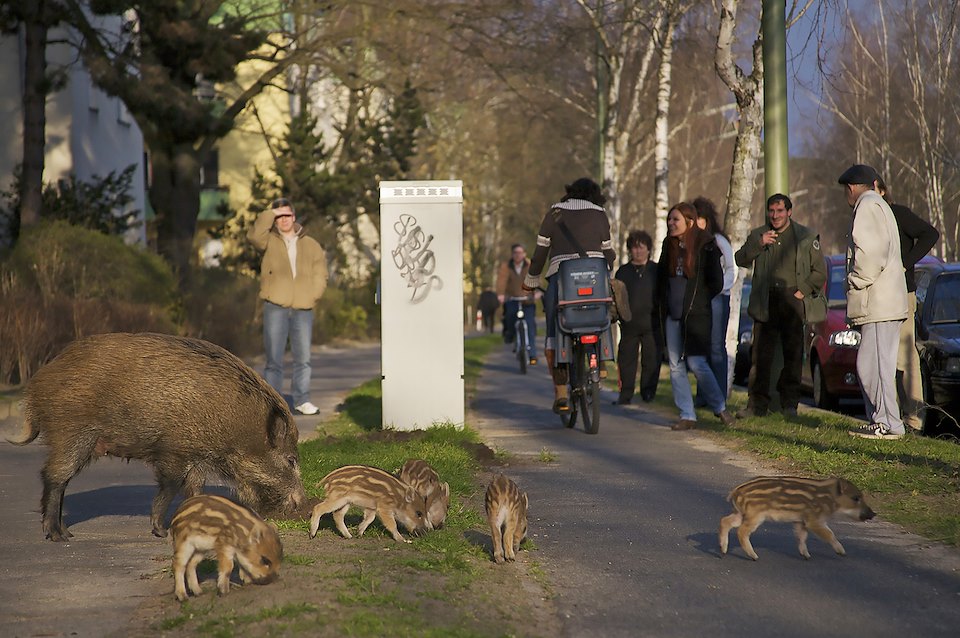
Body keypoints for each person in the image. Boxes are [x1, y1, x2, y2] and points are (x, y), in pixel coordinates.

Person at [523, 177, 616, 414]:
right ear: (595, 195)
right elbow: (608, 252)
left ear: (570, 193)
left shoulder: (554, 213)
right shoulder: (600, 213)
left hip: (561, 278)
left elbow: (541, 252)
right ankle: (602, 360)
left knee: (554, 327)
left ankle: (562, 394)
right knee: (602, 309)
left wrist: (531, 280)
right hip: (595, 278)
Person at [734, 193, 827, 419]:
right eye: (771, 211)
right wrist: (758, 244)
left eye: (780, 211)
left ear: (789, 212)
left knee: (793, 355)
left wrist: (801, 291)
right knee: (760, 357)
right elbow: (740, 259)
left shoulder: (804, 236)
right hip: (766, 300)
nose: (775, 216)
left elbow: (819, 272)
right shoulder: (759, 234)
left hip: (792, 299)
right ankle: (756, 406)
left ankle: (789, 405)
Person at [837, 164, 909, 440]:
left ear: (852, 187)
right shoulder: (880, 205)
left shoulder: (866, 206)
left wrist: (854, 281)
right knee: (873, 365)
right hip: (885, 302)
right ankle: (882, 420)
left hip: (879, 302)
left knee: (875, 366)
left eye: (846, 189)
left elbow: (869, 255)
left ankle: (890, 423)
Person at [654, 202, 735, 430]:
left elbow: (716, 281)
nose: (671, 224)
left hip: (697, 315)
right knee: (675, 364)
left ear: (689, 222)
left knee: (697, 362)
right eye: (669, 220)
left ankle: (719, 407)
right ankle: (687, 414)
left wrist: (700, 301)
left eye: (675, 220)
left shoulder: (706, 244)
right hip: (672, 314)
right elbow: (661, 278)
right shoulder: (668, 245)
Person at [248, 197, 329, 415]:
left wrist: (313, 295)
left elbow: (321, 272)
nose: (283, 220)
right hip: (275, 305)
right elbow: (254, 237)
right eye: (279, 216)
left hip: (303, 307)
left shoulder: (310, 244)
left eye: (287, 215)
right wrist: (270, 213)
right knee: (274, 359)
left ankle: (302, 400)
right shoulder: (268, 242)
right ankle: (274, 405)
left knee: (303, 359)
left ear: (294, 217)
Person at [874, 176, 940, 431]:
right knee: (881, 358)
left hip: (902, 293)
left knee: (905, 356)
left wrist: (905, 263)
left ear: (882, 191)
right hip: (876, 296)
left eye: (872, 190)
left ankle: (913, 419)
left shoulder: (897, 214)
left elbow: (930, 233)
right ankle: (887, 417)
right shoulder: (866, 220)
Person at [693, 196, 735, 400]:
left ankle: (719, 395)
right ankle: (703, 394)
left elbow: (731, 269)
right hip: (700, 300)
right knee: (701, 347)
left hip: (718, 298)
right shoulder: (691, 243)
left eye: (700, 218)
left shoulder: (719, 241)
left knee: (716, 346)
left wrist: (719, 289)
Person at [613, 230, 660, 405]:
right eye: (634, 248)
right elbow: (616, 298)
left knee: (651, 360)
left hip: (652, 324)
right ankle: (625, 394)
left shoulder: (656, 270)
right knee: (626, 361)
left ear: (648, 249)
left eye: (641, 247)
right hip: (629, 324)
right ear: (629, 250)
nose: (638, 251)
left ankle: (648, 393)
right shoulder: (623, 272)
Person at [497, 244, 539, 365]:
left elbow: (535, 278)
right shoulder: (506, 266)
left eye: (520, 252)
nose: (518, 255)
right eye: (515, 252)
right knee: (509, 316)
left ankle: (532, 355)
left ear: (524, 254)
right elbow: (501, 280)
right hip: (512, 298)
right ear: (512, 254)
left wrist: (536, 293)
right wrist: (500, 294)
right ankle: (510, 334)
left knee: (530, 325)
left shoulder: (530, 265)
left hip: (527, 300)